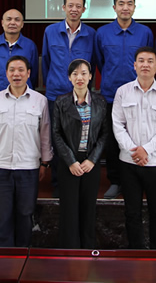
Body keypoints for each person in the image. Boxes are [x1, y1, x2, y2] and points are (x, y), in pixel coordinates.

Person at [0, 56, 51, 247]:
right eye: (12, 70)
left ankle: (22, 256)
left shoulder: (40, 101)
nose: (16, 74)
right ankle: (3, 260)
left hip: (28, 167)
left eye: (21, 70)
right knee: (3, 216)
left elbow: (45, 135)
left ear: (29, 73)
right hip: (1, 167)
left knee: (25, 215)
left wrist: (44, 163)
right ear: (6, 73)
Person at [112, 47, 156, 249]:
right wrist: (134, 150)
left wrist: (146, 150)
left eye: (150, 61)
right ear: (134, 65)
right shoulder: (122, 92)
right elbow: (118, 125)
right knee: (132, 212)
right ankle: (135, 253)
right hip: (129, 162)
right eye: (141, 61)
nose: (145, 65)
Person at [93, 0, 154, 199]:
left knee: (140, 136)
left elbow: (150, 61)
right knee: (113, 140)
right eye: (121, 4)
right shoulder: (102, 33)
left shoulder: (145, 32)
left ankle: (140, 179)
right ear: (114, 7)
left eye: (129, 4)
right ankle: (116, 180)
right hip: (111, 95)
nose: (125, 7)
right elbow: (100, 61)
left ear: (134, 7)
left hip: (140, 94)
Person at [42, 0, 97, 190]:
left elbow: (94, 63)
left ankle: (79, 182)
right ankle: (59, 184)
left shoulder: (91, 34)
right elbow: (46, 62)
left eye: (78, 6)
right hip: (56, 95)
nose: (74, 9)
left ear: (84, 9)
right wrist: (54, 83)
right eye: (70, 5)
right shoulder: (50, 31)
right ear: (64, 7)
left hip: (81, 97)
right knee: (58, 140)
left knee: (80, 140)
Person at [52, 58, 109, 248]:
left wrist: (93, 159)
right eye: (75, 74)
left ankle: (87, 250)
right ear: (69, 78)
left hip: (90, 163)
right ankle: (69, 251)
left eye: (84, 73)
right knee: (69, 210)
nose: (80, 77)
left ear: (91, 76)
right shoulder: (61, 102)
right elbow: (56, 134)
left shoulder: (100, 102)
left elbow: (104, 134)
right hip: (69, 163)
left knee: (88, 209)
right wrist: (70, 161)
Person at [0, 8, 39, 95]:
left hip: (23, 94)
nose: (13, 23)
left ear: (22, 24)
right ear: (2, 23)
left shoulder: (30, 45)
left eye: (17, 20)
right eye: (9, 19)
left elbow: (33, 74)